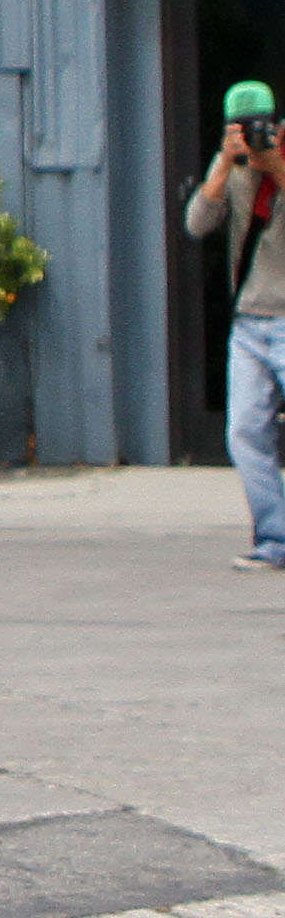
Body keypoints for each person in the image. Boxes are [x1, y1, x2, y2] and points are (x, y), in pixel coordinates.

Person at [184, 78, 285, 570]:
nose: (252, 134)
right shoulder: (234, 164)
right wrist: (225, 164)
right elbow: (197, 224)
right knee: (245, 431)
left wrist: (277, 168)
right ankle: (275, 539)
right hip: (249, 323)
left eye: (258, 124)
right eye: (241, 127)